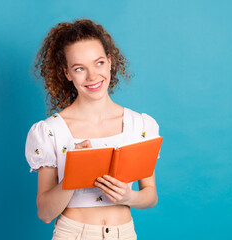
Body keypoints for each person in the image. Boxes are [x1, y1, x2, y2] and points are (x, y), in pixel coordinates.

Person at [25, 18, 160, 240]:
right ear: (67, 73)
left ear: (109, 62)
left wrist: (128, 197)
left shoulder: (141, 125)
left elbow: (150, 194)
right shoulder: (49, 131)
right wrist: (74, 173)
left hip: (124, 233)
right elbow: (45, 213)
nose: (92, 76)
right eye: (79, 68)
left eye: (98, 63)